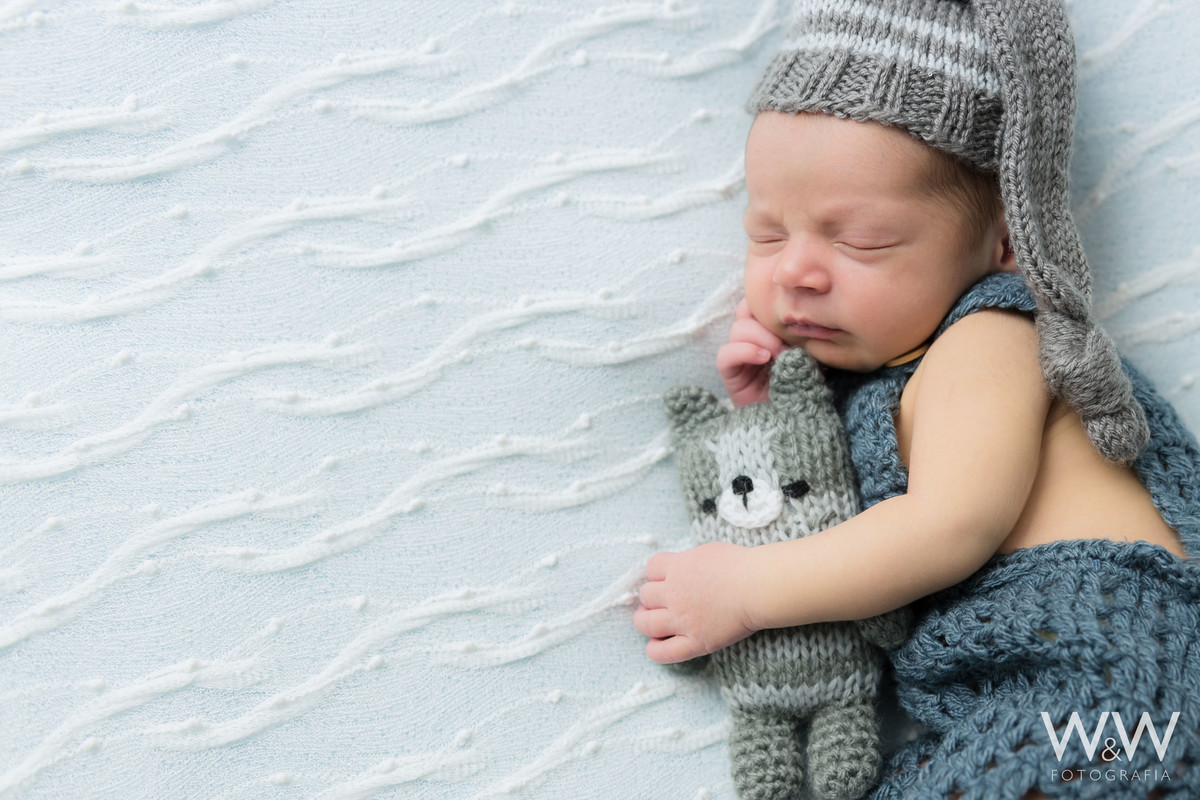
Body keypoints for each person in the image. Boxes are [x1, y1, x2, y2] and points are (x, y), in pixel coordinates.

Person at [634, 1, 1200, 798]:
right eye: (767, 233)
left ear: (1005, 242)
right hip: (1048, 715)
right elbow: (855, 524)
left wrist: (746, 591)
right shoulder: (900, 377)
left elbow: (946, 527)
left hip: (1119, 704)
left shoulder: (995, 334)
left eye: (857, 240)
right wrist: (776, 414)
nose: (796, 270)